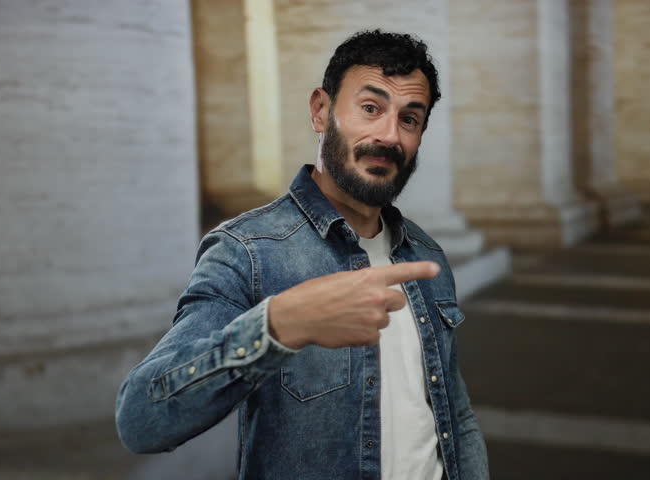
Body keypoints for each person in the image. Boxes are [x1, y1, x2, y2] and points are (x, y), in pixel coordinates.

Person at [115, 29, 489, 480]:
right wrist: (278, 326)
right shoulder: (248, 251)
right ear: (321, 111)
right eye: (370, 108)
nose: (389, 135)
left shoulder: (424, 253)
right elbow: (141, 420)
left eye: (410, 119)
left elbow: (455, 416)